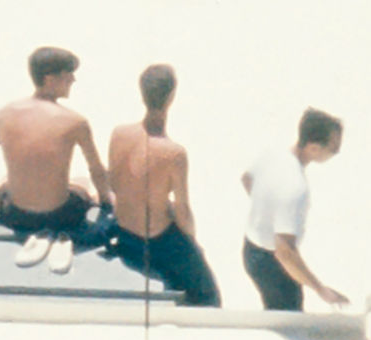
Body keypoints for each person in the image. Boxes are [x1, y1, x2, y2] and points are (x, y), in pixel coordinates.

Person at [0, 45, 110, 271]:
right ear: (50, 79)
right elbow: (97, 171)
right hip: (62, 216)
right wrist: (104, 201)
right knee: (82, 181)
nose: (73, 79)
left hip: (15, 215)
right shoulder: (75, 122)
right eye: (68, 74)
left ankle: (37, 232)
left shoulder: (4, 114)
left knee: (6, 178)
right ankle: (59, 236)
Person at [103, 64, 219, 307]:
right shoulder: (174, 153)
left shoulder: (119, 134)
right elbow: (183, 211)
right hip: (155, 241)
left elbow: (113, 182)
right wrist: (191, 243)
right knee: (208, 295)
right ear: (171, 97)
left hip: (124, 233)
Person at [239, 108, 345, 312]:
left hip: (250, 249)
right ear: (314, 148)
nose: (336, 153)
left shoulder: (272, 154)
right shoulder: (295, 187)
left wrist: (266, 209)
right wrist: (320, 289)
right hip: (271, 263)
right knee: (288, 315)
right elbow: (285, 252)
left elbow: (247, 179)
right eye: (334, 149)